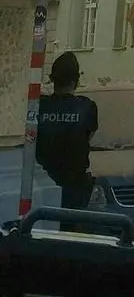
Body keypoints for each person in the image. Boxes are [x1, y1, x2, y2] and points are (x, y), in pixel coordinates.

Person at [35, 51, 99, 211]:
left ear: (53, 79)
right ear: (75, 80)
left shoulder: (39, 106)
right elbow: (88, 136)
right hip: (75, 187)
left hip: (42, 183)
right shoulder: (87, 107)